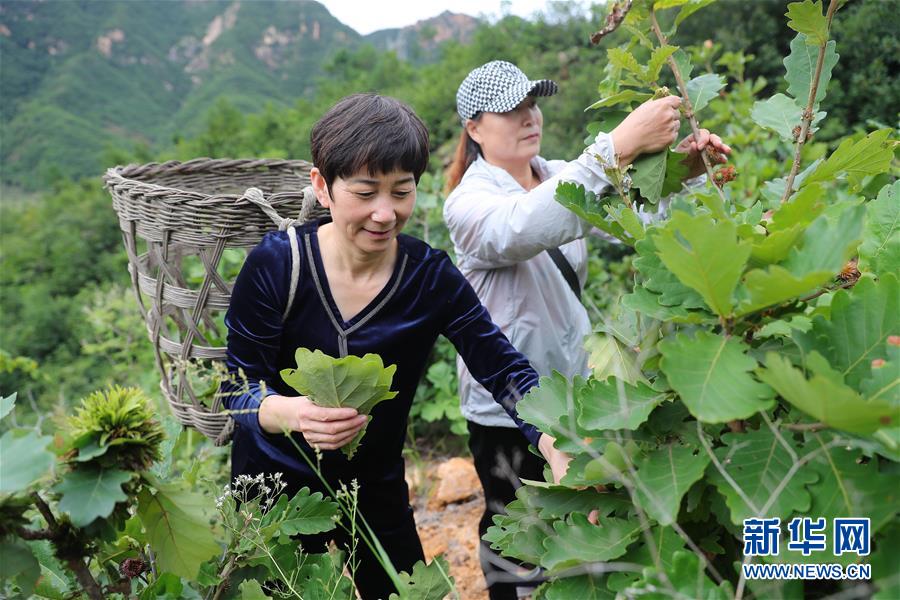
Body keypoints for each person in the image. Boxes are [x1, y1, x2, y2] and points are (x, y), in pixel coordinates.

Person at [220, 93, 569, 600]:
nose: (385, 214)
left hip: (373, 489)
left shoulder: (428, 277)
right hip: (272, 492)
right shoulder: (279, 265)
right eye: (365, 193)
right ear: (323, 187)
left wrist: (554, 439)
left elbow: (502, 366)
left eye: (401, 192)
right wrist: (290, 413)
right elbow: (237, 387)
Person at [443, 60, 731, 599]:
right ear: (474, 128)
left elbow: (641, 224)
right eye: (510, 109)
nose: (529, 116)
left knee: (585, 513)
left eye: (533, 103)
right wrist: (615, 147)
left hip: (576, 389)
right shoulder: (468, 202)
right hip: (511, 403)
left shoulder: (557, 173)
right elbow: (524, 225)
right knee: (516, 524)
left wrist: (677, 177)